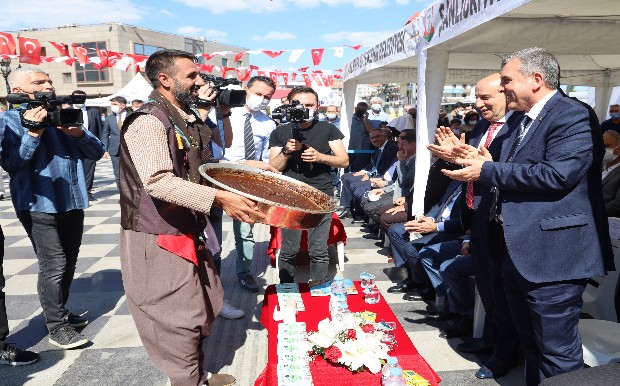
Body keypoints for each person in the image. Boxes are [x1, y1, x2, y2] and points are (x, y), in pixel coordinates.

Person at [444, 47, 614, 385]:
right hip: (517, 251)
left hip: (554, 256)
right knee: (532, 344)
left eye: (507, 80)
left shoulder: (572, 115)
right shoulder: (520, 120)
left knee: (557, 355)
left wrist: (486, 170)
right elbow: (503, 166)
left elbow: (557, 175)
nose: (503, 87)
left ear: (536, 79)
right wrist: (468, 157)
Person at [119, 49, 275, 386]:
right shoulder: (148, 120)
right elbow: (158, 182)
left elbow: (206, 165)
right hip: (158, 234)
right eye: (191, 75)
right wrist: (220, 198)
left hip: (189, 226)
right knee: (176, 317)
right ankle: (187, 381)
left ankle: (197, 375)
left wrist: (247, 170)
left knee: (202, 304)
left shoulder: (185, 116)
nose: (200, 81)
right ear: (164, 79)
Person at [1, 67, 105, 349]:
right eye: (39, 82)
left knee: (69, 261)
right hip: (37, 203)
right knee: (54, 264)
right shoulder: (8, 120)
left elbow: (97, 152)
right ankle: (57, 326)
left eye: (49, 80)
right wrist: (32, 133)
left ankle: (59, 309)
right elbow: (11, 163)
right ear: (19, 90)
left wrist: (78, 133)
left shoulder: (63, 113)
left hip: (72, 200)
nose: (48, 85)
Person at [430, 73, 522, 380]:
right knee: (487, 287)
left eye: (485, 97)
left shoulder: (520, 127)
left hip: (504, 222)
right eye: (476, 97)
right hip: (478, 220)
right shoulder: (482, 126)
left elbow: (507, 172)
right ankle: (489, 341)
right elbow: (475, 168)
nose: (478, 104)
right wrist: (456, 156)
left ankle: (504, 355)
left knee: (503, 292)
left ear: (507, 93)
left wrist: (480, 161)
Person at [269, 86, 348, 283]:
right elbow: (273, 168)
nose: (304, 109)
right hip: (290, 195)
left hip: (321, 194)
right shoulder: (280, 132)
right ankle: (287, 290)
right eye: (299, 105)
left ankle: (319, 290)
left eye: (309, 105)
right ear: (289, 106)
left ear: (317, 106)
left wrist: (321, 157)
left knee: (318, 249)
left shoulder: (328, 129)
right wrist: (286, 152)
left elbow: (344, 161)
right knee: (289, 249)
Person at [225, 75, 276, 293]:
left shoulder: (268, 123)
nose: (262, 99)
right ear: (246, 89)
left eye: (267, 97)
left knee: (245, 228)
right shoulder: (227, 114)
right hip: (220, 174)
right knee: (210, 231)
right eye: (258, 94)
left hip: (248, 181)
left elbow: (265, 159)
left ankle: (244, 272)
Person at [72, 90, 103, 201]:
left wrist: (101, 145)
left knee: (89, 169)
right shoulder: (67, 111)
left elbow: (100, 129)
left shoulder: (93, 112)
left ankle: (87, 191)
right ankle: (76, 192)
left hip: (89, 145)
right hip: (73, 145)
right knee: (74, 169)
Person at [101, 96, 128, 191]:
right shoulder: (109, 118)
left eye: (115, 104)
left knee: (131, 173)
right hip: (115, 150)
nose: (113, 106)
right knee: (118, 174)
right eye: (112, 104)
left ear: (123, 105)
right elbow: (105, 134)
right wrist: (105, 149)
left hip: (130, 150)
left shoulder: (132, 116)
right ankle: (122, 195)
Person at [320, 105, 342, 197]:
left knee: (336, 169)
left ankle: (336, 187)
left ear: (336, 112)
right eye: (329, 111)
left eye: (333, 111)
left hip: (337, 149)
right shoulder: (321, 122)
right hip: (324, 148)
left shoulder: (341, 122)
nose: (331, 113)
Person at [348, 101, 374, 172]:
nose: (360, 110)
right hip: (349, 149)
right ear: (356, 108)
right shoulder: (349, 119)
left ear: (366, 111)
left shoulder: (368, 122)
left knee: (359, 173)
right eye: (359, 108)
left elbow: (371, 133)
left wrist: (365, 120)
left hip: (363, 151)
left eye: (363, 109)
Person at [602, 130, 620, 216]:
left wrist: (591, 211)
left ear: (619, 148)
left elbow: (617, 205)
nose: (603, 150)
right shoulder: (598, 167)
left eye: (607, 146)